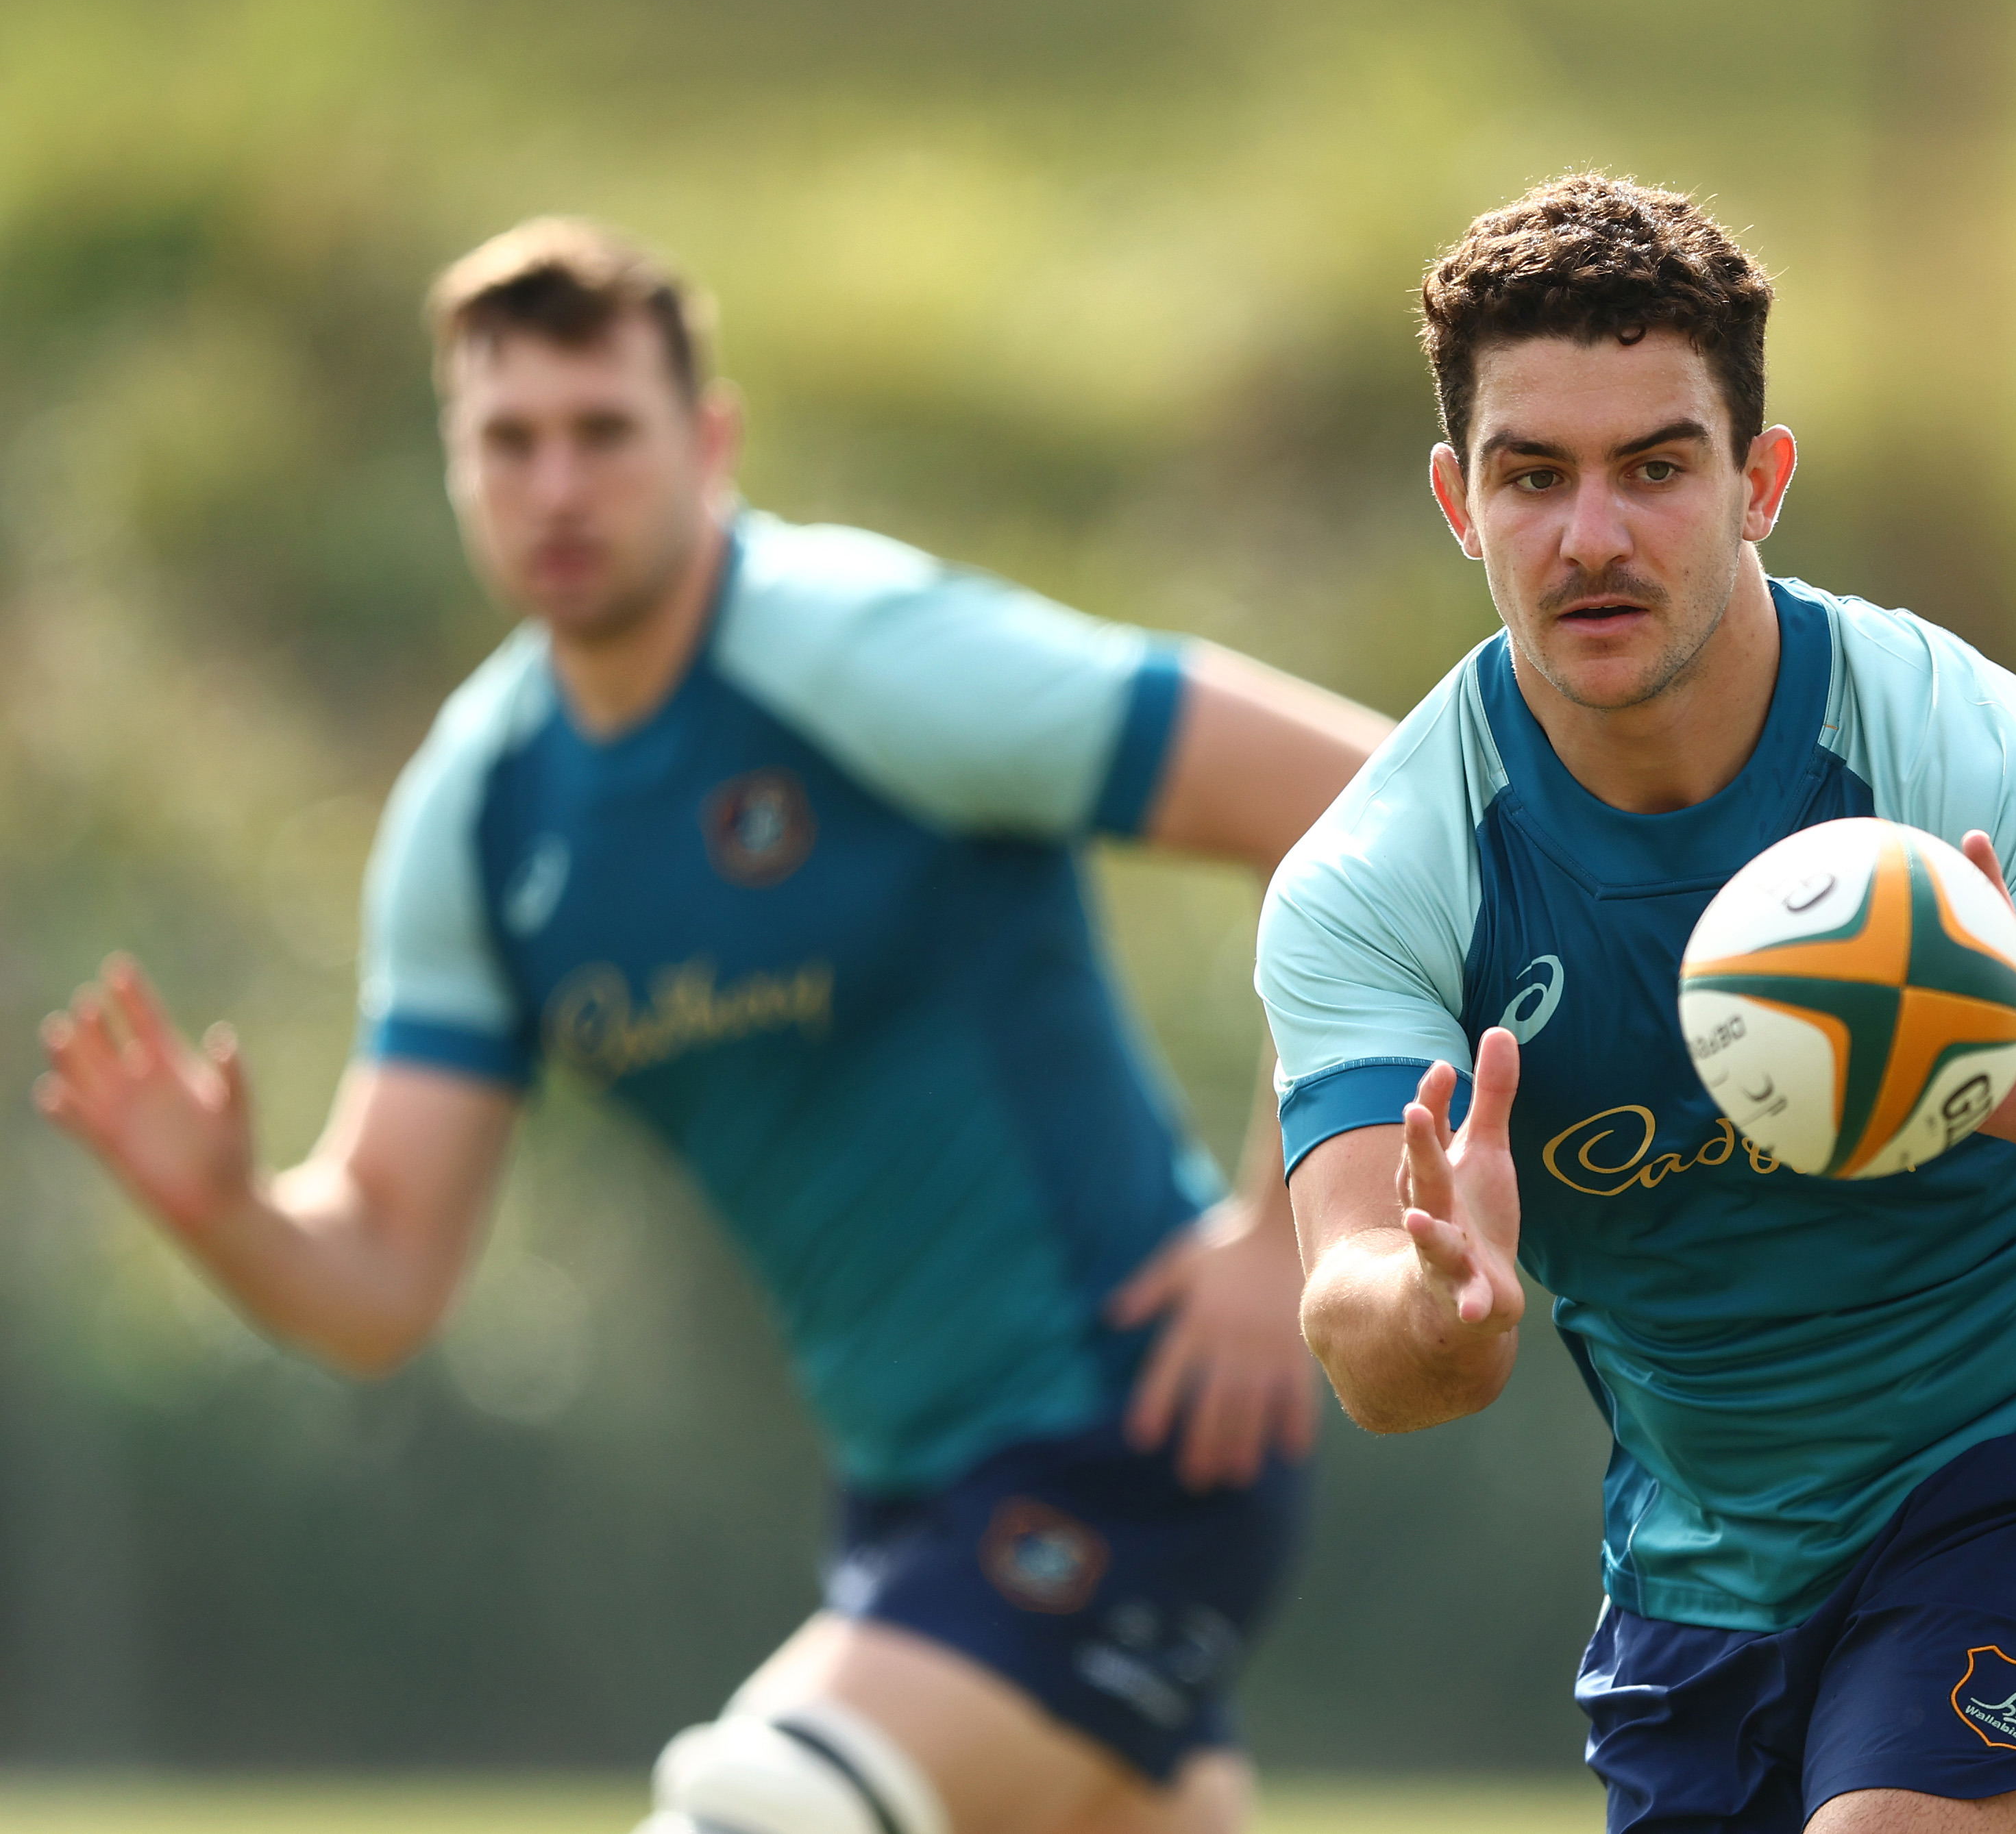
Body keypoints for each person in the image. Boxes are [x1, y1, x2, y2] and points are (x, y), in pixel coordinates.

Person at [32, 219, 1390, 1834]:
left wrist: (1282, 1230)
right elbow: (382, 1273)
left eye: (603, 432)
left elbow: (1362, 802)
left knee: (756, 1812)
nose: (556, 486)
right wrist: (226, 1216)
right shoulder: (480, 818)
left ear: (712, 445)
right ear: (454, 474)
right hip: (912, 1502)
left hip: (1134, 1427)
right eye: (507, 442)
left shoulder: (859, 648)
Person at [1257, 176, 2016, 1834]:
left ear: (1762, 482)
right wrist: (1440, 1310)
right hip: (1706, 1583)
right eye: (1536, 476)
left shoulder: (1954, 752)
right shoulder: (1384, 876)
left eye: (1657, 468)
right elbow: (1364, 1321)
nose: (1592, 535)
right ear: (1461, 502)